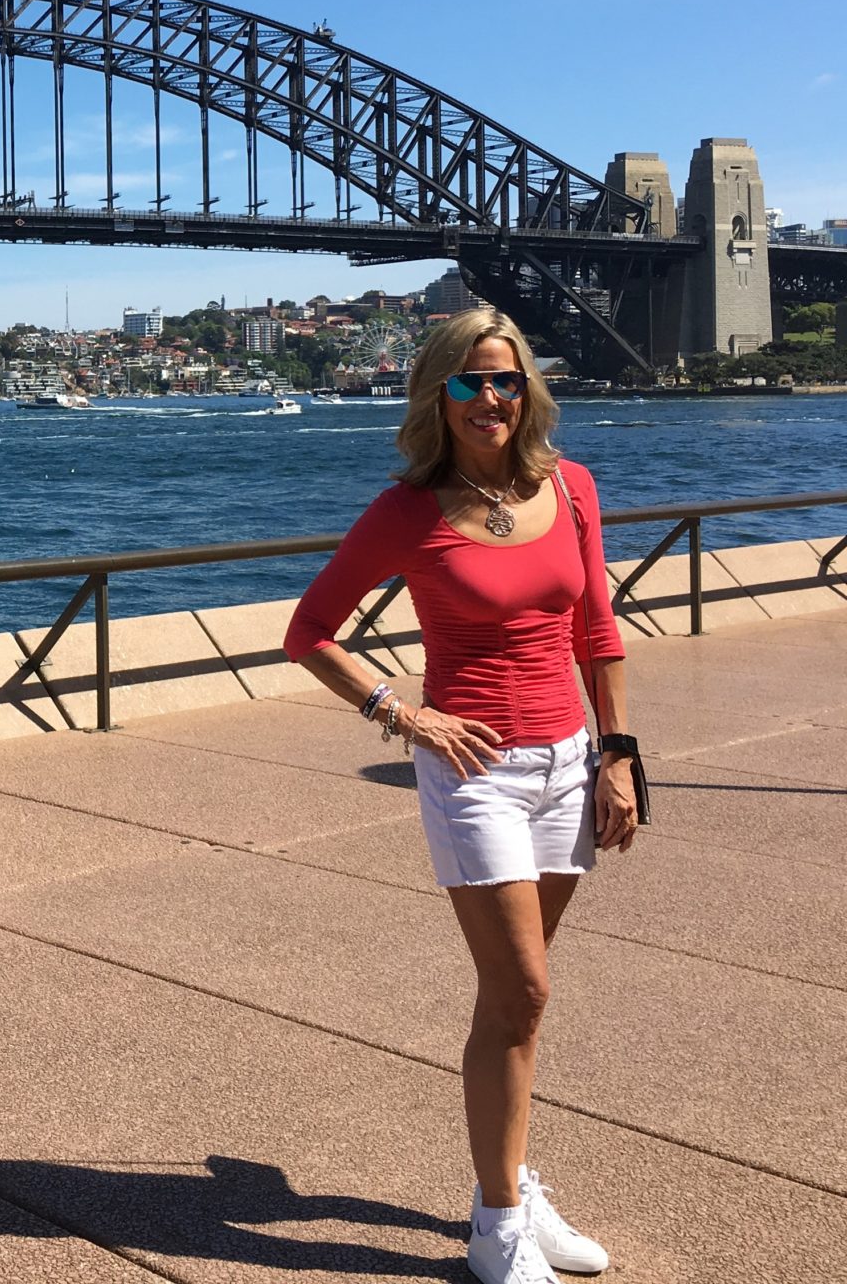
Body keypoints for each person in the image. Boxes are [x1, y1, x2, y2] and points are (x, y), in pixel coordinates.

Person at [283, 307, 638, 1284]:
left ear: (525, 389)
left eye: (505, 380)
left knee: (509, 1003)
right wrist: (404, 716)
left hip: (567, 761)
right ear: (434, 394)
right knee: (523, 990)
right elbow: (308, 630)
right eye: (469, 382)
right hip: (472, 774)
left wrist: (615, 756)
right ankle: (493, 1225)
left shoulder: (569, 489)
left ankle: (516, 1185)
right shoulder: (406, 510)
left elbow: (596, 633)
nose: (490, 398)